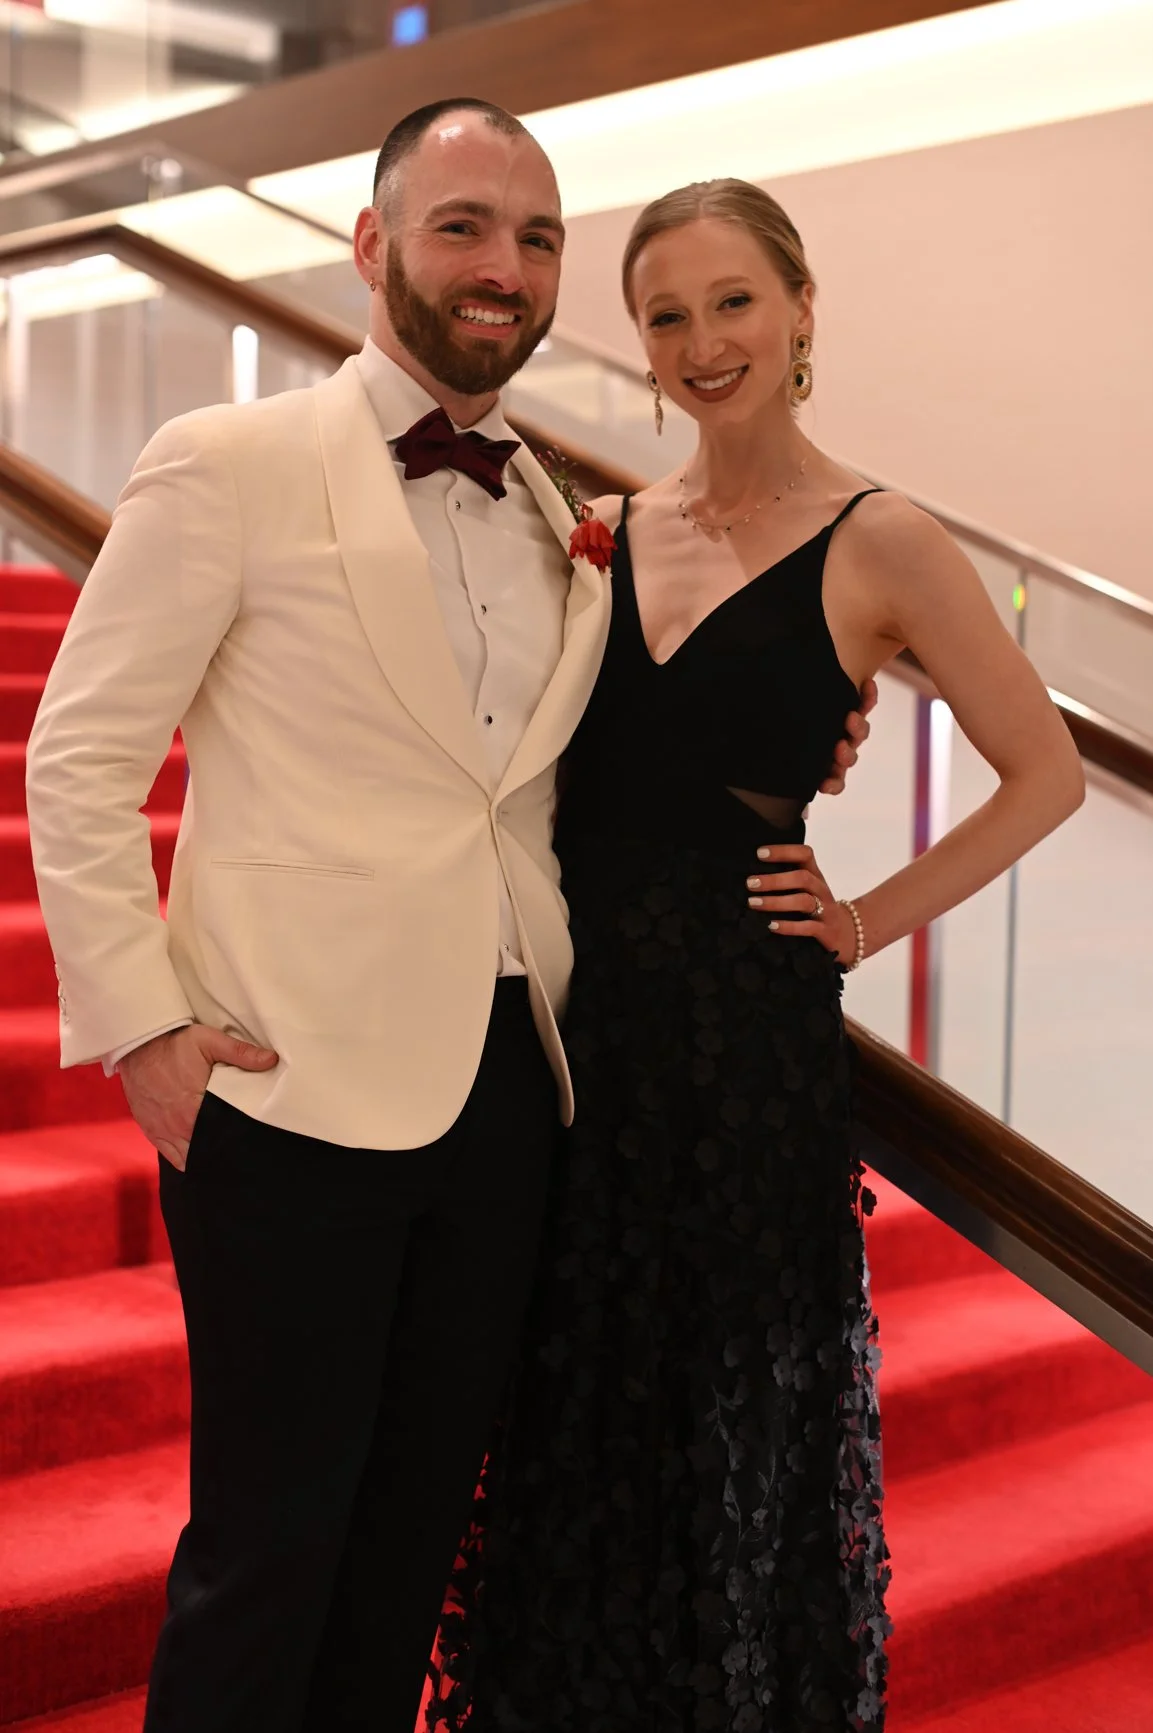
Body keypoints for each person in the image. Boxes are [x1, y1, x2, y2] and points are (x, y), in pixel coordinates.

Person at [24, 109, 870, 1732]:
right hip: (286, 1084)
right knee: (269, 1552)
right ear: (373, 246)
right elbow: (79, 757)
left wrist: (803, 743)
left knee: (412, 1540)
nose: (504, 266)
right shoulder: (230, 461)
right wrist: (142, 1031)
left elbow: (602, 753)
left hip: (513, 1096)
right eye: (464, 225)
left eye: (538, 238)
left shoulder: (566, 512)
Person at [427, 179, 1086, 1732]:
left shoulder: (886, 538)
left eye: (734, 301)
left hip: (741, 1061)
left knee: (724, 1440)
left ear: (799, 311)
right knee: (574, 1420)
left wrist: (864, 920)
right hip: (576, 1043)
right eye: (666, 315)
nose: (703, 340)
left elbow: (1047, 774)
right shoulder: (599, 527)